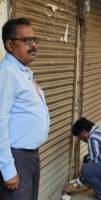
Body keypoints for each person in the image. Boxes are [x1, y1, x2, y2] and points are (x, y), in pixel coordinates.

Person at [0, 18, 50, 200]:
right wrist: (8, 169)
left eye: (35, 40)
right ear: (9, 45)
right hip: (16, 159)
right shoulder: (6, 73)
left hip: (29, 157)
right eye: (26, 40)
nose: (33, 45)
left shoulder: (23, 72)